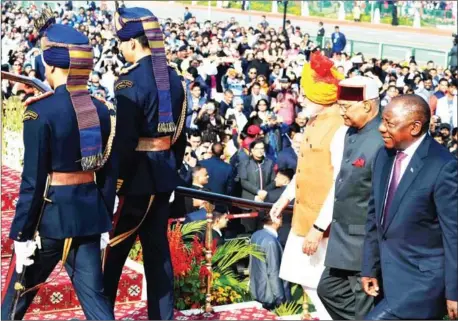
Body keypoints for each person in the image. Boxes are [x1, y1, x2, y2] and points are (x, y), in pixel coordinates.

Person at [1, 19, 116, 320]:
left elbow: (34, 180)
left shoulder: (41, 110)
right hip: (88, 218)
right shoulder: (100, 109)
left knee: (15, 301)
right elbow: (106, 173)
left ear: (50, 66)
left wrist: (23, 234)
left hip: (48, 222)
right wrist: (104, 218)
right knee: (97, 304)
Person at [103, 7, 186, 320]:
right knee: (157, 254)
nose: (121, 49)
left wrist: (113, 184)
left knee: (112, 253)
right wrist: (170, 170)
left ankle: (102, 314)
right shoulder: (175, 79)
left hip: (135, 180)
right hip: (162, 177)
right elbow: (180, 136)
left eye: (121, 43)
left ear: (133, 43)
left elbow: (124, 142)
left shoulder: (129, 83)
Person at [362, 95, 457, 320]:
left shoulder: (443, 166)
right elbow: (375, 216)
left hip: (422, 283)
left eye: (390, 123)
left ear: (414, 127)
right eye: (383, 121)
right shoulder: (384, 156)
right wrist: (369, 266)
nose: (382, 128)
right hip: (387, 278)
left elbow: (454, 234)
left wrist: (454, 291)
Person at [270, 51, 345, 320]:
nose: (299, 98)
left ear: (322, 96)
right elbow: (306, 168)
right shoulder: (315, 121)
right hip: (305, 216)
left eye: (305, 93)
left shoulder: (339, 126)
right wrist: (285, 198)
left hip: (322, 225)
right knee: (303, 278)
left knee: (321, 285)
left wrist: (318, 227)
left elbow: (339, 182)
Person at [316, 76, 384, 320]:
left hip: (363, 240)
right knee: (328, 290)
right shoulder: (351, 132)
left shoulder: (382, 138)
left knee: (364, 303)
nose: (341, 112)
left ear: (367, 105)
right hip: (344, 237)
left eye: (346, 106)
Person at [249, 215, 289, 309]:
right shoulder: (271, 241)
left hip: (257, 289)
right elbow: (273, 271)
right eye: (280, 217)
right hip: (270, 295)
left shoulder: (256, 234)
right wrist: (280, 297)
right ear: (276, 220)